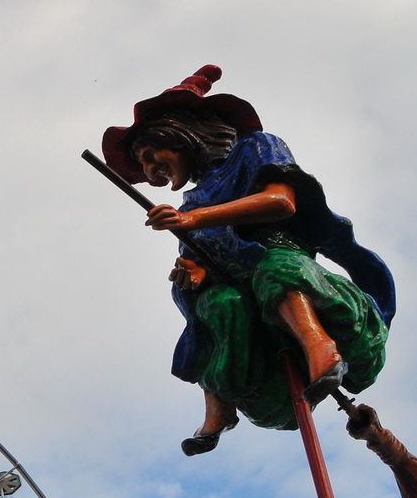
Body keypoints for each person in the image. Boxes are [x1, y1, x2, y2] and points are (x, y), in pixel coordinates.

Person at [101, 66, 396, 454]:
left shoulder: (255, 147)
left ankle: (322, 349)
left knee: (275, 269)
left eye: (151, 155)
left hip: (286, 264)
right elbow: (203, 259)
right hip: (247, 299)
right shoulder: (192, 200)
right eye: (143, 164)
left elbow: (281, 202)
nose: (150, 170)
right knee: (213, 303)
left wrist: (194, 219)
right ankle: (219, 407)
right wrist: (194, 272)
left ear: (182, 136)